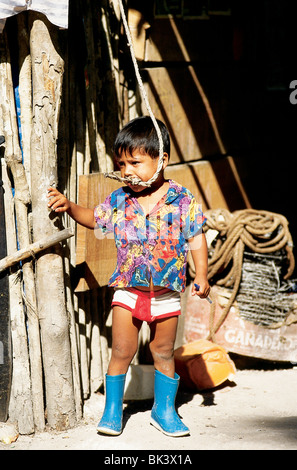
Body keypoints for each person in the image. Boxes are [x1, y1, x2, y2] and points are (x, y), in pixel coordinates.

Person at [47, 116, 210, 437]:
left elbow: (196, 237)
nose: (127, 171)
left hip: (166, 294)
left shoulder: (182, 199)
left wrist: (201, 274)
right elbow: (94, 219)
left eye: (135, 162)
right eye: (121, 164)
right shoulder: (121, 199)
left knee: (163, 352)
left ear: (162, 159)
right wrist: (69, 206)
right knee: (122, 350)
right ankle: (112, 411)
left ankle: (164, 411)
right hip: (128, 292)